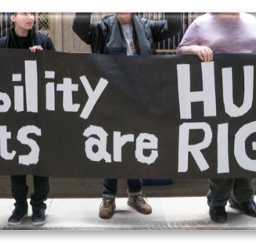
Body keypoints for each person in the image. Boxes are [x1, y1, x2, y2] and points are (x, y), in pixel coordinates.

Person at [176, 12, 256, 223]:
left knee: (250, 148)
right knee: (222, 151)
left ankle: (243, 198)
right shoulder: (201, 22)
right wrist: (195, 48)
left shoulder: (251, 20)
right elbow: (180, 51)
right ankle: (217, 202)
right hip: (216, 99)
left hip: (252, 97)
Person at [72, 11, 182, 219]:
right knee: (112, 144)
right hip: (111, 95)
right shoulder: (102, 28)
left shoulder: (147, 26)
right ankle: (108, 196)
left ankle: (135, 193)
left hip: (139, 95)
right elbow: (79, 29)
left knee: (135, 142)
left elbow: (174, 28)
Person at [0, 12, 54, 226]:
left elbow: (57, 74)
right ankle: (20, 206)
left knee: (40, 162)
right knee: (16, 161)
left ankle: (39, 207)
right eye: (23, 13)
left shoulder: (44, 42)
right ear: (12, 18)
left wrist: (43, 59)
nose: (30, 17)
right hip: (13, 113)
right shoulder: (1, 44)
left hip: (39, 113)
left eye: (32, 13)